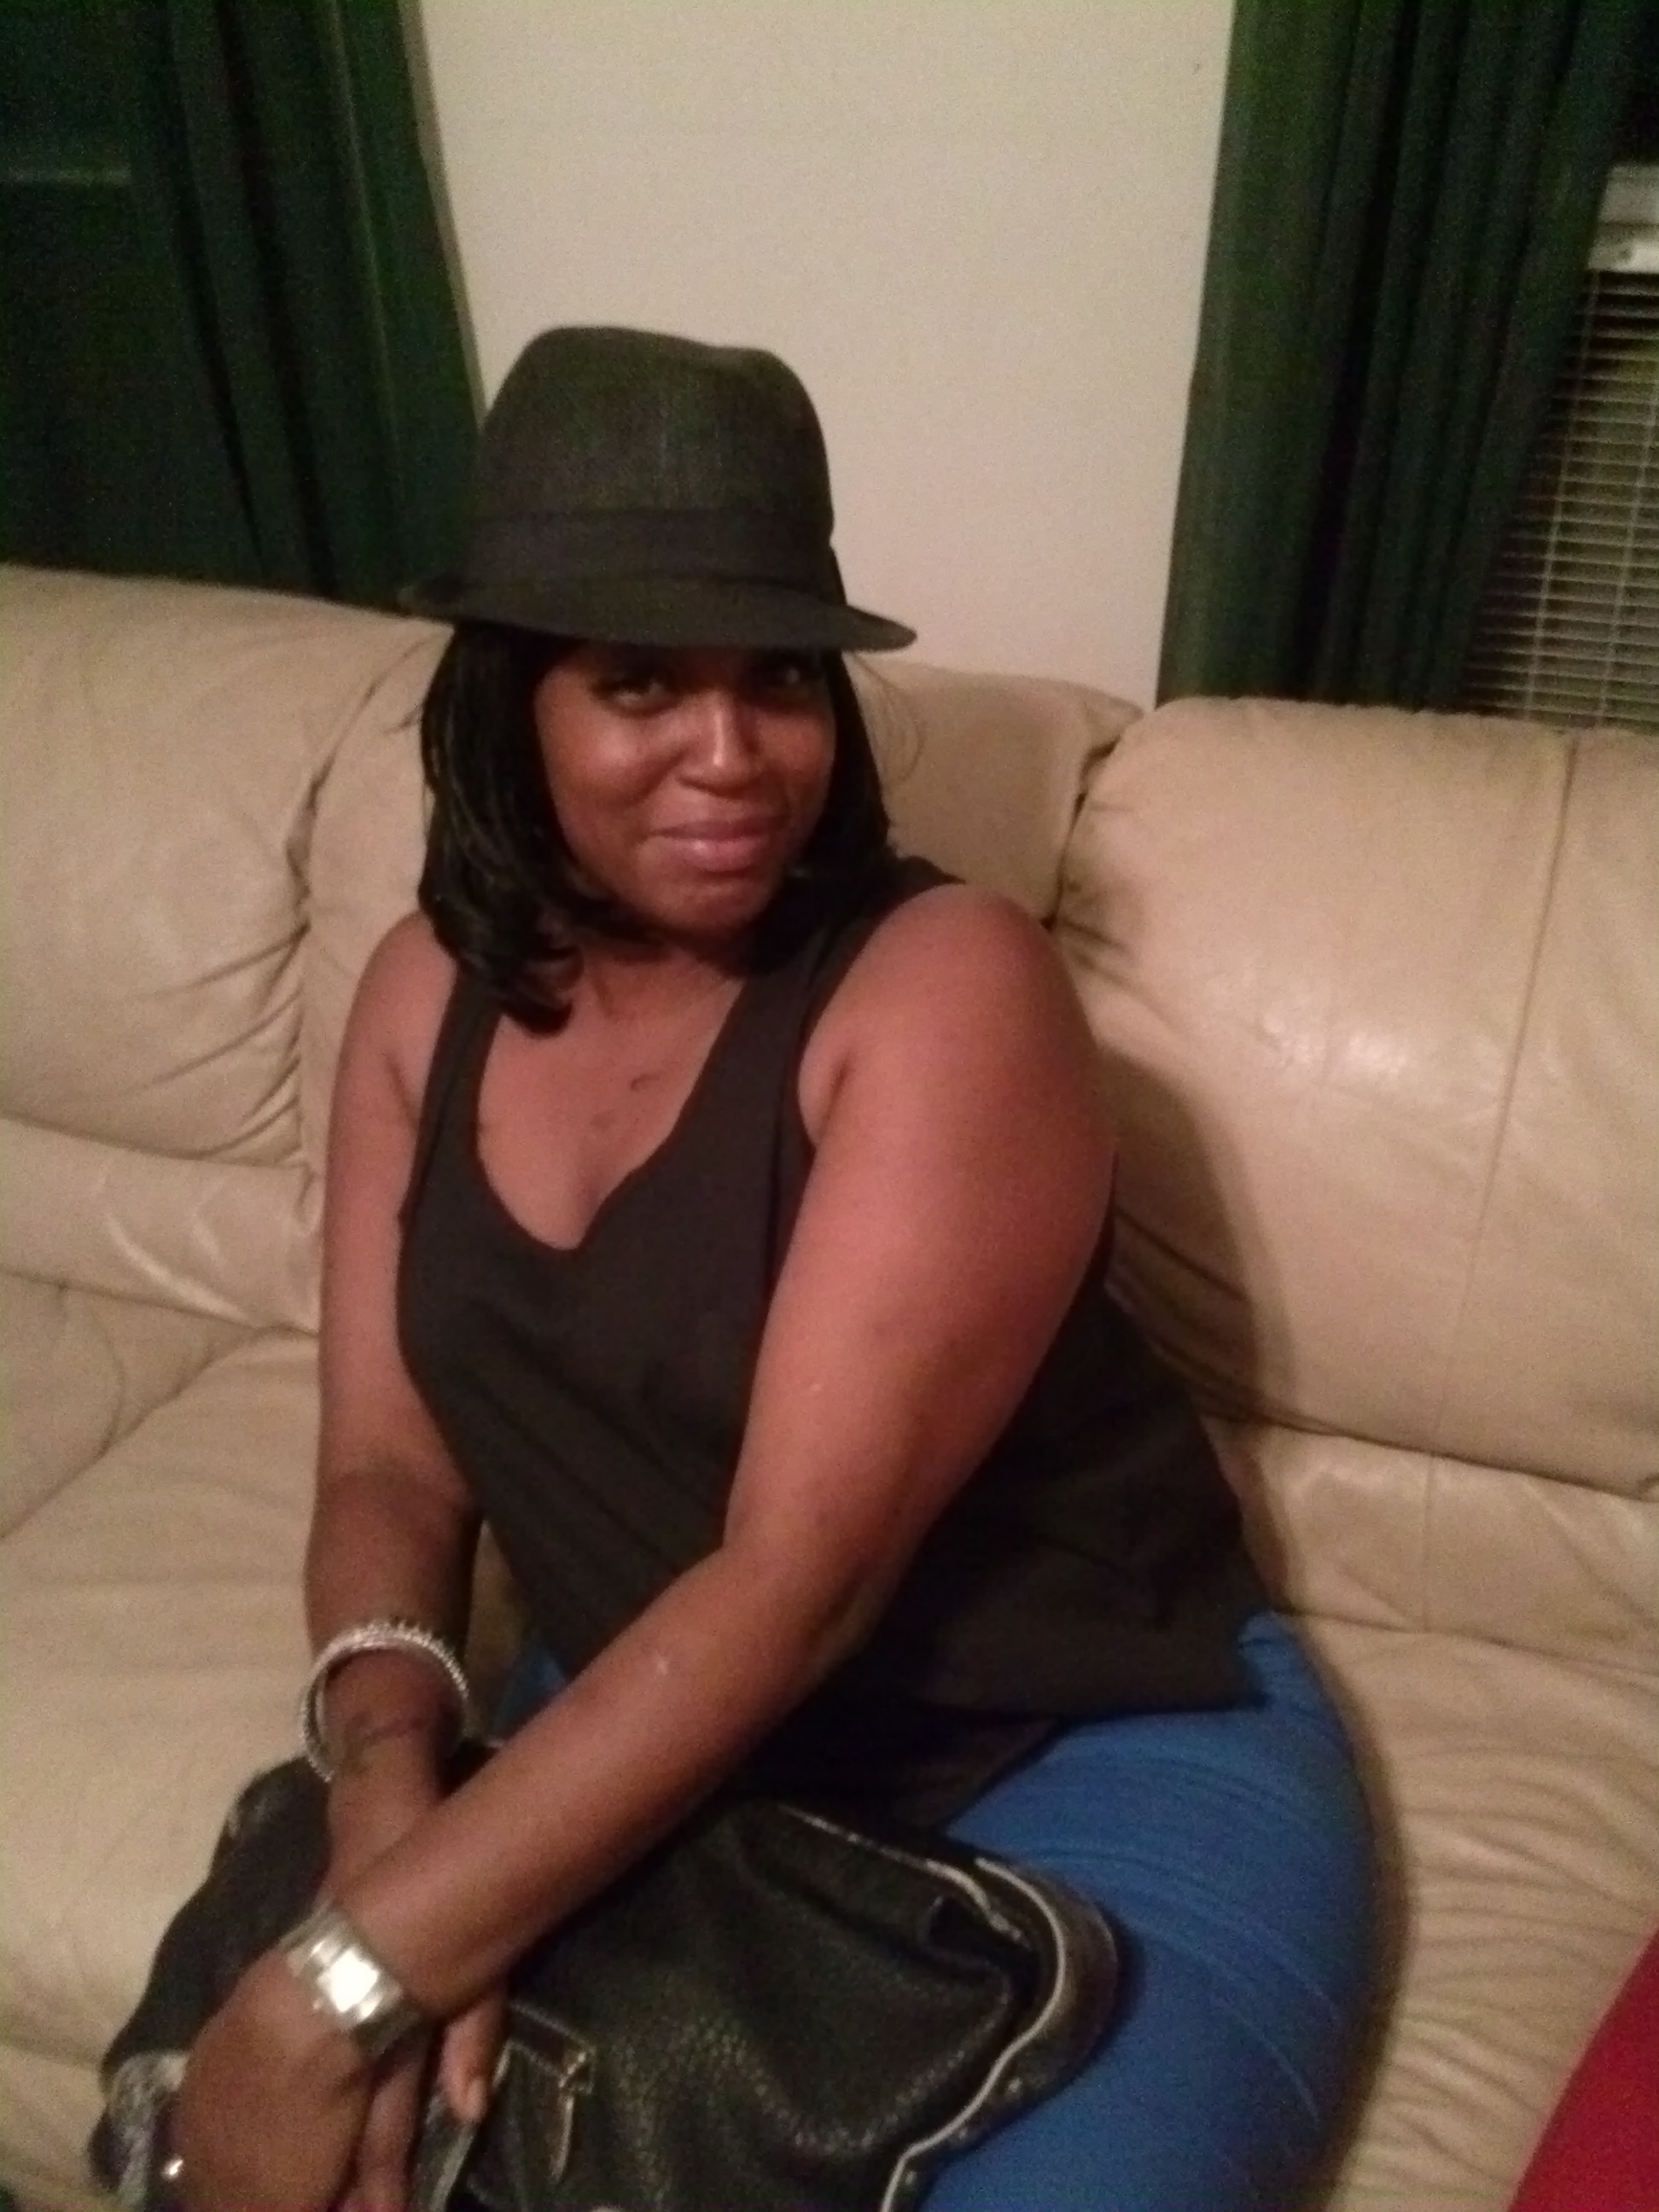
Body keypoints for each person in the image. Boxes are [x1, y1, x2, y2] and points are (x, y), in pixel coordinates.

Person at [173, 325, 1376, 2212]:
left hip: (1080, 1754)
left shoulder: (945, 987)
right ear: (512, 703)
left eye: (781, 683)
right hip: (672, 1733)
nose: (731, 757)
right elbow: (390, 1467)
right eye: (642, 682)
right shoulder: (420, 996)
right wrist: (386, 1777)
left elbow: (796, 1582)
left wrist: (330, 1990)